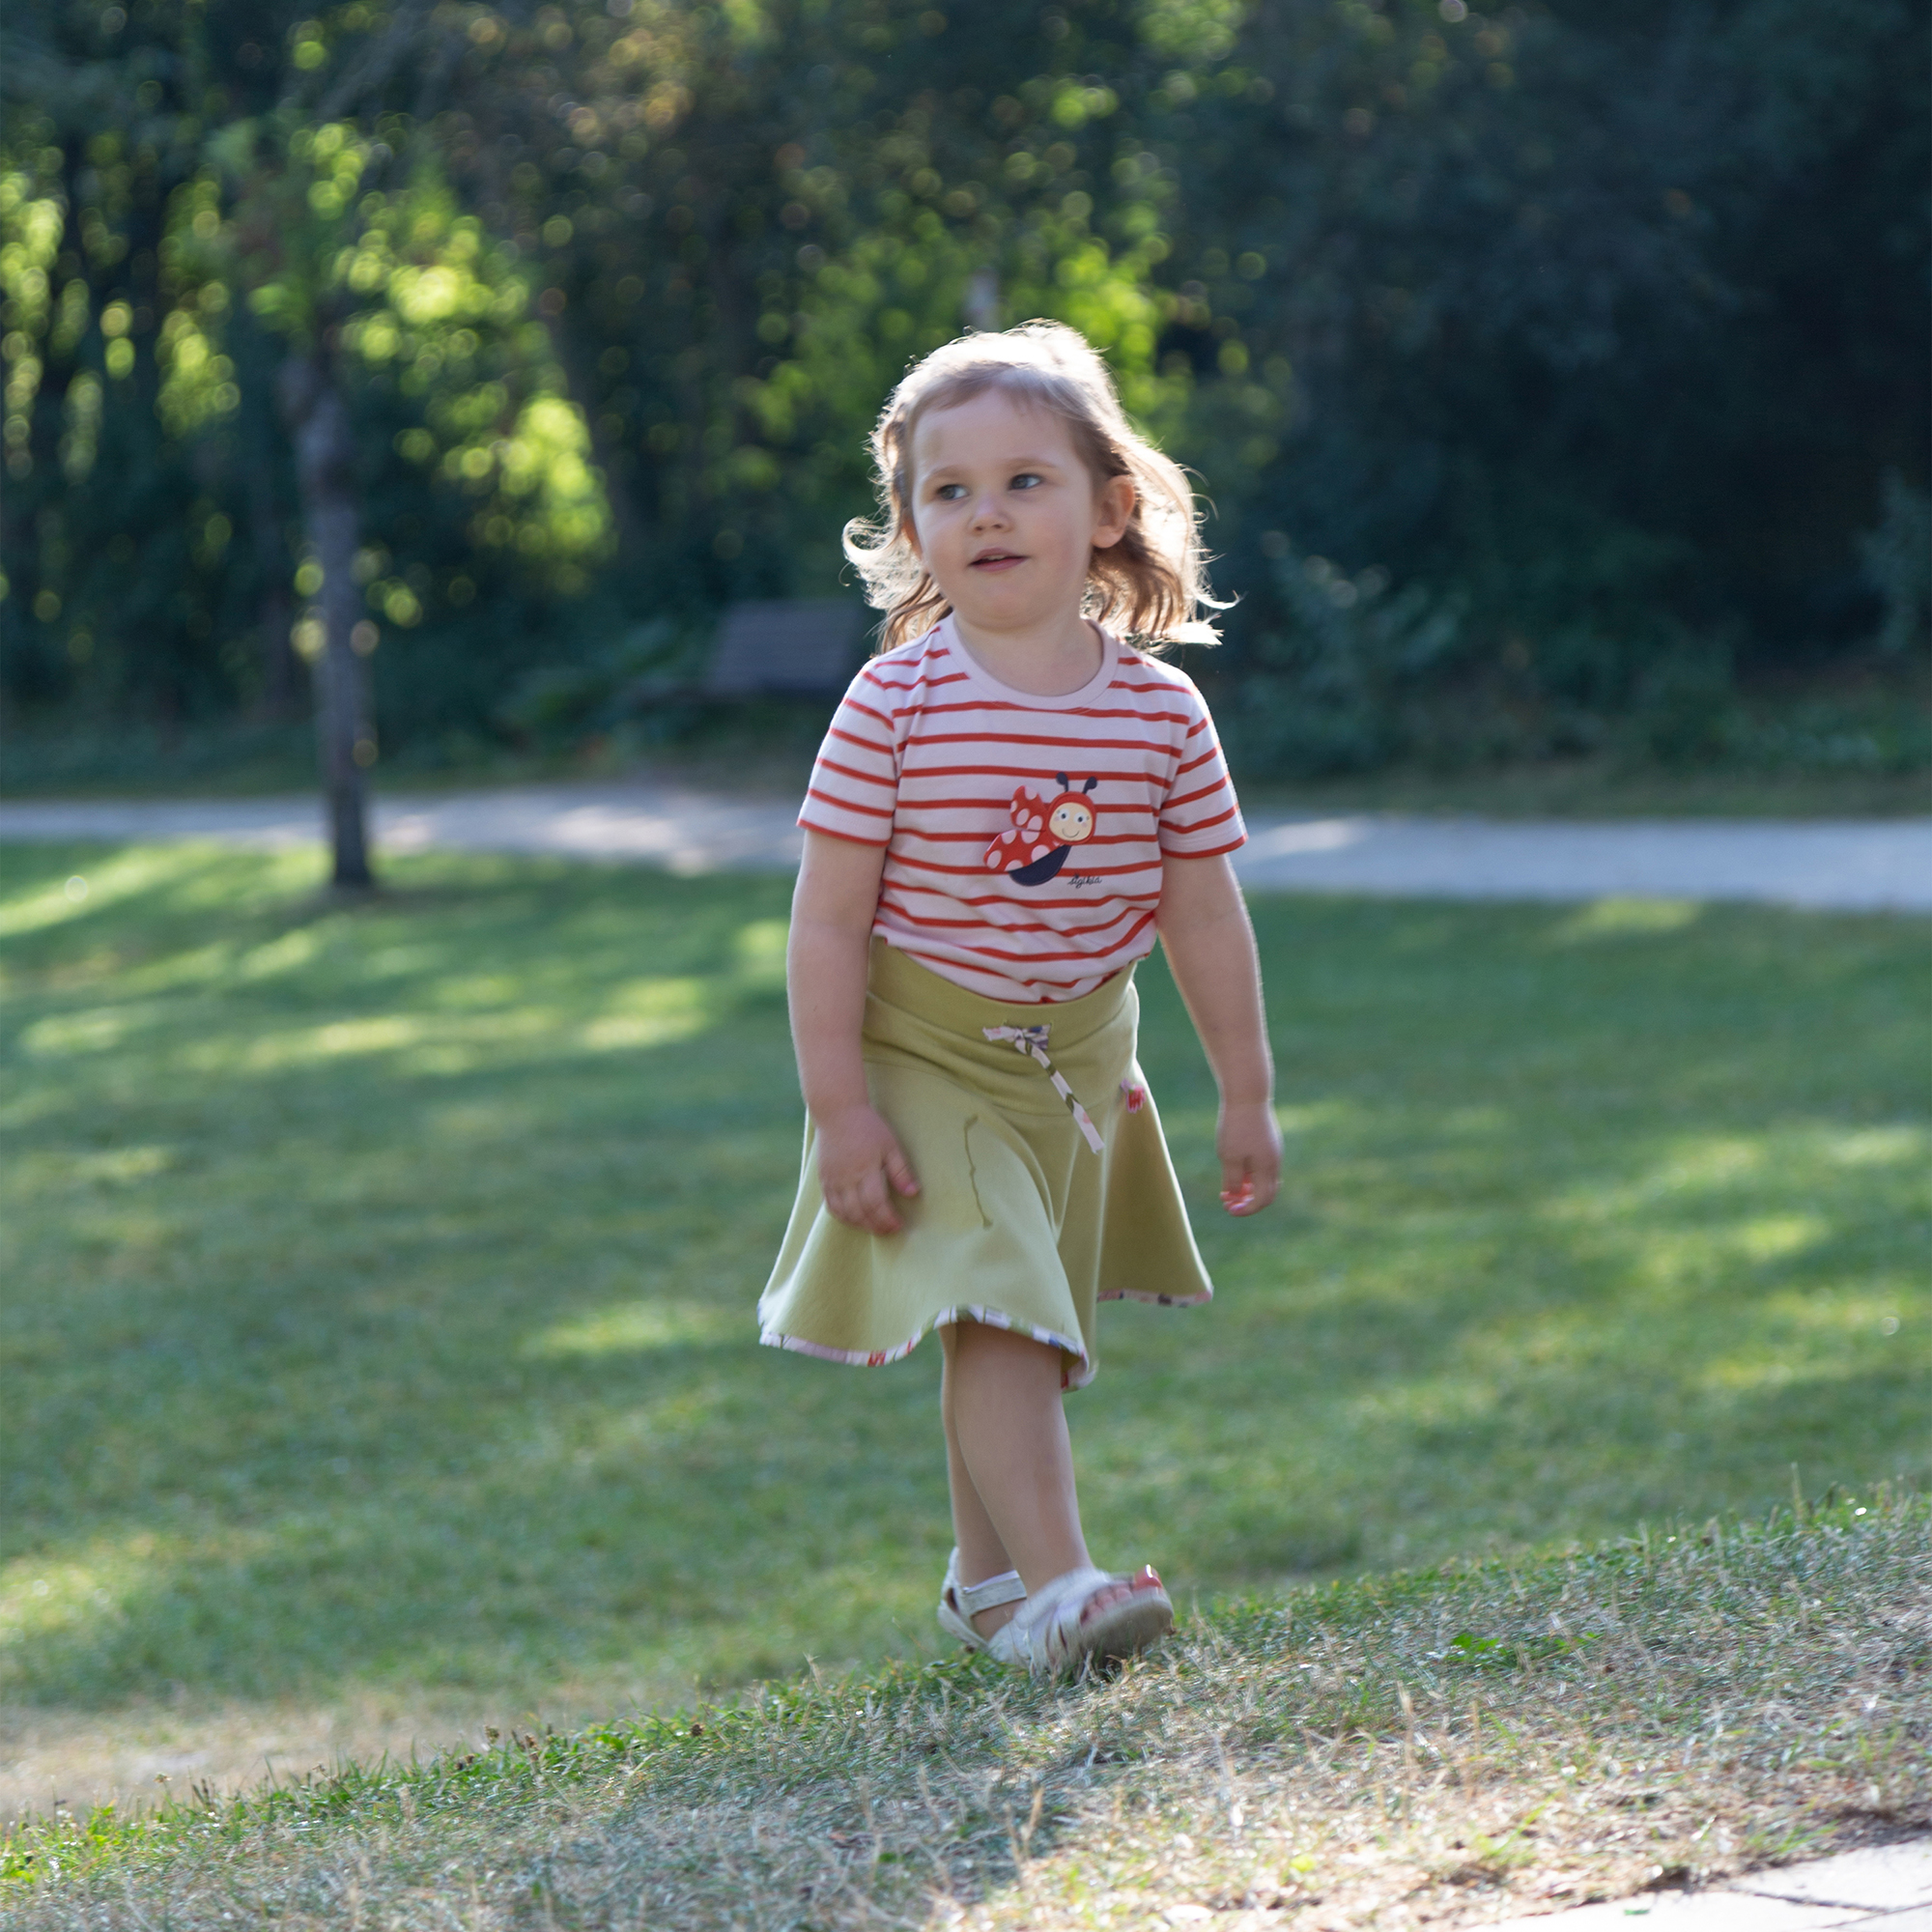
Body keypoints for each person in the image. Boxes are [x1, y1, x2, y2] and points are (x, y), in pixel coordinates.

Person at [758, 320, 1281, 1676]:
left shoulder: (1162, 717)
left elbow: (1201, 912)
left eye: (1024, 482)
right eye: (950, 491)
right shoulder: (894, 704)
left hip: (1083, 1058)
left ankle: (985, 1587)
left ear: (1110, 509)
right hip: (926, 1048)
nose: (986, 513)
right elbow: (824, 920)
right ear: (911, 527)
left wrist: (1246, 1090)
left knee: (1020, 1325)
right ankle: (1062, 1592)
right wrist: (841, 1111)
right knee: (1000, 1299)